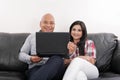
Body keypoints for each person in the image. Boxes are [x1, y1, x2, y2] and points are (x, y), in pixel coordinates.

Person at [19, 13, 64, 80]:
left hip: (54, 70)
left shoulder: (59, 38)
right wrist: (31, 58)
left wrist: (69, 53)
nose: (48, 25)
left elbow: (63, 60)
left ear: (54, 25)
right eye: (45, 22)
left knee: (57, 59)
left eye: (51, 23)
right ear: (40, 24)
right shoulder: (32, 36)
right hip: (36, 69)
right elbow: (21, 54)